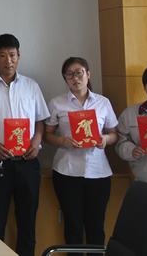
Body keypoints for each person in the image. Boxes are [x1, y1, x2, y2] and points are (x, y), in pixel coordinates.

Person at [0, 34, 49, 256]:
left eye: (12, 55)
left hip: (28, 161)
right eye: (2, 55)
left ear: (19, 55)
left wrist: (37, 141)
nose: (8, 60)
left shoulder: (31, 86)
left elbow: (40, 119)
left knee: (28, 222)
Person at [44, 57, 118, 252]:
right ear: (65, 78)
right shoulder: (57, 103)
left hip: (98, 172)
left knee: (96, 225)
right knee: (73, 225)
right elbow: (47, 135)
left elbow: (114, 133)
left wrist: (105, 139)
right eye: (69, 74)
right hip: (67, 171)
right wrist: (63, 140)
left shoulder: (103, 102)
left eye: (79, 73)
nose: (75, 78)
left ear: (88, 74)